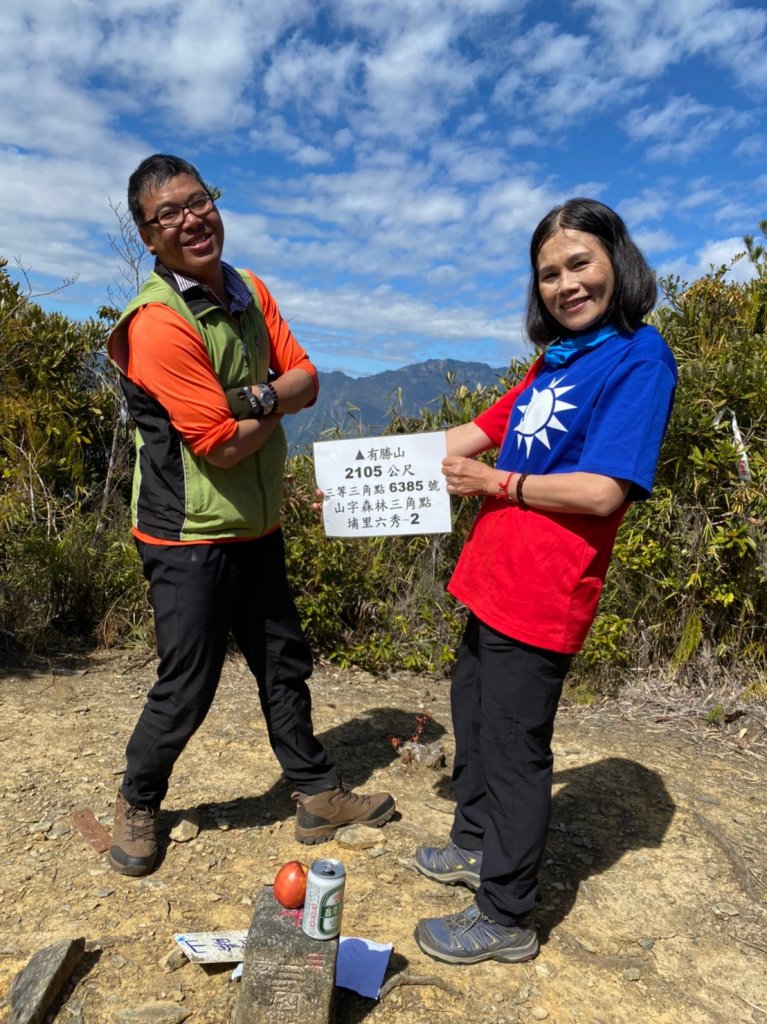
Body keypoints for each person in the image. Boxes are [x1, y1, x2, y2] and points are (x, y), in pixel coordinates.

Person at [106, 154, 394, 877]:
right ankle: (138, 799)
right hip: (187, 535)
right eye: (166, 214)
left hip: (257, 526)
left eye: (197, 201)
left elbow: (307, 378)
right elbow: (220, 447)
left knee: (281, 663)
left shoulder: (248, 290)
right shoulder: (156, 324)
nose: (189, 220)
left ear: (215, 204)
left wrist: (257, 397)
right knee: (188, 683)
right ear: (148, 236)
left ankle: (316, 792)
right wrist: (270, 400)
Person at [412, 198, 677, 964]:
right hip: (490, 579)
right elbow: (474, 434)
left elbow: (602, 491)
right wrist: (364, 480)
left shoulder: (637, 357)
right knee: (474, 720)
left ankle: (504, 916)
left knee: (515, 748)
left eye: (578, 264)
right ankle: (474, 845)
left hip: (543, 593)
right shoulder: (555, 360)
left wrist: (501, 485)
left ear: (615, 263)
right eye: (548, 274)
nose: (565, 285)